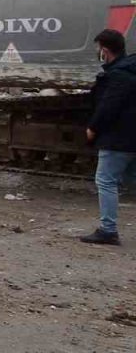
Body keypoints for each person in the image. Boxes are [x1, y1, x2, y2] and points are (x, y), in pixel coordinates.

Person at [81, 29, 136, 245]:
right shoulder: (130, 70)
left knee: (105, 180)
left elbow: (108, 106)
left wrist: (93, 128)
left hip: (118, 138)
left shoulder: (118, 75)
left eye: (98, 48)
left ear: (104, 50)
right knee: (131, 178)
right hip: (131, 137)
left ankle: (108, 230)